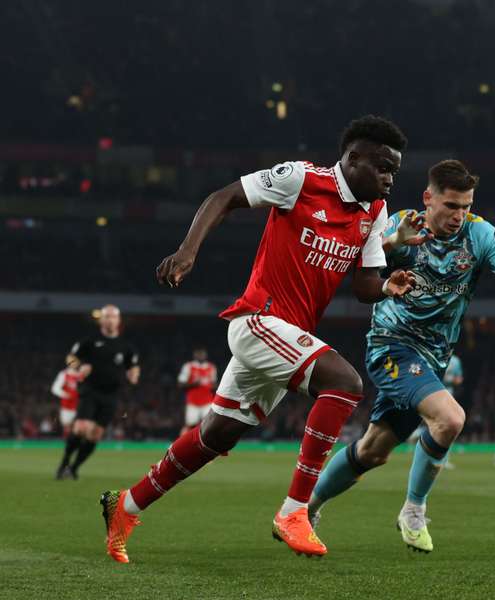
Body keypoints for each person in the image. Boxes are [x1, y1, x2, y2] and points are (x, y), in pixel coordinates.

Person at [100, 115, 415, 562]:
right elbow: (224, 196)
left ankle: (125, 506)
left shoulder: (374, 213)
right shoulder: (301, 178)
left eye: (394, 173)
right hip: (258, 320)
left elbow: (365, 286)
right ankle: (294, 511)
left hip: (287, 336)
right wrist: (188, 251)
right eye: (383, 168)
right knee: (345, 384)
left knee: (218, 434)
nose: (388, 180)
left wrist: (387, 286)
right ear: (354, 157)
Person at [307, 159, 495, 553]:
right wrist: (392, 245)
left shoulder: (480, 235)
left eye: (466, 206)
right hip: (390, 344)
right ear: (429, 198)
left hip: (432, 359)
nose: (459, 215)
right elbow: (359, 272)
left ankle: (305, 508)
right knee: (450, 418)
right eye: (451, 206)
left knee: (374, 450)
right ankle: (414, 509)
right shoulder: (401, 225)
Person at [57, 305, 140, 480]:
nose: (110, 320)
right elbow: (70, 358)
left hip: (111, 395)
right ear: (101, 320)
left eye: (113, 317)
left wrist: (134, 374)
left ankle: (73, 468)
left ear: (118, 321)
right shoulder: (89, 341)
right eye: (107, 317)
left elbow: (133, 366)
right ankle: (64, 462)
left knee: (95, 435)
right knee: (81, 428)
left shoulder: (126, 347)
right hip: (90, 391)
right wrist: (79, 366)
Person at [178, 347, 218, 436]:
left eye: (202, 354)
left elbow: (214, 384)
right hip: (193, 402)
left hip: (207, 401)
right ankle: (181, 445)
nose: (201, 356)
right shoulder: (188, 366)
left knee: (209, 426)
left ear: (206, 355)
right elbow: (180, 384)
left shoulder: (211, 367)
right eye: (199, 354)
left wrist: (213, 386)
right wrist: (193, 384)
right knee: (190, 425)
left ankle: (208, 447)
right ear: (195, 355)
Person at [51, 364, 85, 438]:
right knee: (67, 426)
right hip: (67, 407)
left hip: (80, 405)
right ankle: (68, 442)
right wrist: (65, 394)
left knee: (80, 426)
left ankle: (78, 442)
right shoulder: (64, 374)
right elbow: (54, 389)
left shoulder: (82, 375)